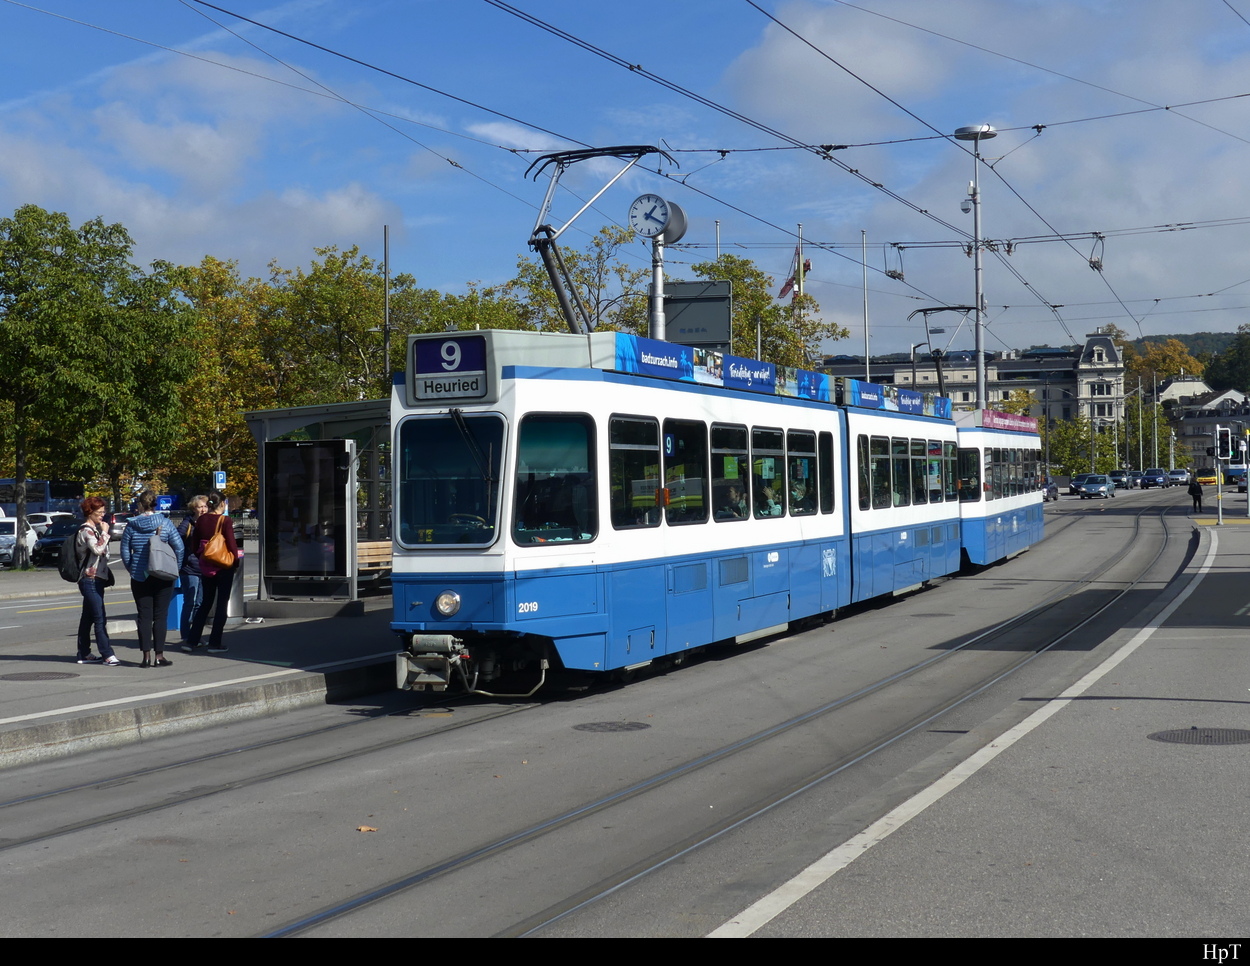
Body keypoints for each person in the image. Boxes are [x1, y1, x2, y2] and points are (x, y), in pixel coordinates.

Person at [120, 489, 184, 668]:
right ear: (155, 503)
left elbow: (125, 551)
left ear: (140, 504)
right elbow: (179, 547)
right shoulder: (165, 523)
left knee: (144, 616)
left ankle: (146, 657)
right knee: (161, 616)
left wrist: (132, 568)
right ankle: (160, 655)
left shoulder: (131, 525)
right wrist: (175, 568)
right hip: (163, 574)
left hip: (140, 576)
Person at [182, 492, 239, 654]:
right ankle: (215, 643)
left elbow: (194, 544)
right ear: (222, 504)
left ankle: (191, 640)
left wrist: (203, 556)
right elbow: (231, 543)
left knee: (205, 603)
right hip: (223, 565)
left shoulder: (201, 520)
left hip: (206, 565)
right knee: (221, 603)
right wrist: (235, 561)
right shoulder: (225, 520)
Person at [75, 497, 119, 666]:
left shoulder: (96, 530)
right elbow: (97, 549)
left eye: (103, 512)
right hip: (89, 579)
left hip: (97, 579)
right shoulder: (86, 531)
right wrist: (106, 532)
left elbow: (105, 553)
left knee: (88, 618)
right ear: (89, 512)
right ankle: (107, 654)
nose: (102, 515)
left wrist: (103, 533)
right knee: (100, 618)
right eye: (99, 512)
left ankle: (84, 653)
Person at [177, 495, 208, 643]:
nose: (203, 509)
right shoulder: (187, 523)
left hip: (204, 567)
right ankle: (185, 635)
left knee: (200, 603)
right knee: (190, 602)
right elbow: (175, 539)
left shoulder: (208, 522)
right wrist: (186, 555)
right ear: (193, 508)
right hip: (189, 568)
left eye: (205, 506)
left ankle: (196, 635)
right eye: (200, 506)